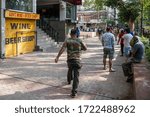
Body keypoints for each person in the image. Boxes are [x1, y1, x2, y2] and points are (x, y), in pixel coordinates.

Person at [55, 29, 87, 98]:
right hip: (77, 60)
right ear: (76, 34)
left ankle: (69, 80)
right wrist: (79, 48)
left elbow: (62, 49)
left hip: (70, 60)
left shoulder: (67, 40)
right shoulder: (79, 40)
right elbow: (85, 48)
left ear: (70, 34)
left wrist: (57, 57)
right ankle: (73, 92)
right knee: (76, 77)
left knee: (70, 69)